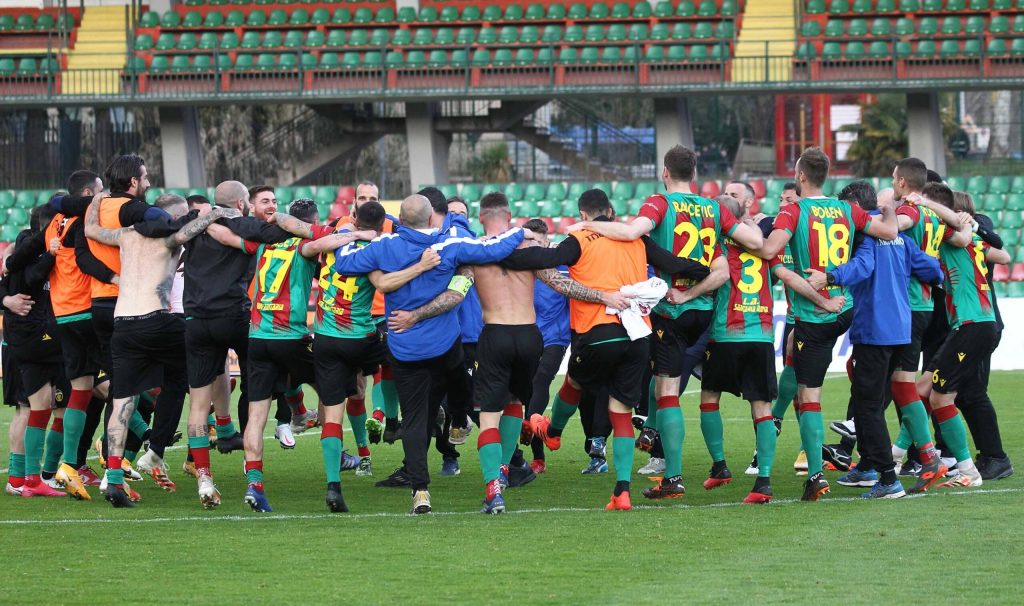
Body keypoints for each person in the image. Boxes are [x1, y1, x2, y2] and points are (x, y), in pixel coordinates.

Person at [568, 146, 764, 500]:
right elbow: (755, 242)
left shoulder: (659, 203)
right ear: (695, 172)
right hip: (703, 310)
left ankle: (672, 476)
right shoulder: (715, 207)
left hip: (669, 309)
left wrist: (585, 225)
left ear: (665, 172)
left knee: (666, 393)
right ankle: (690, 468)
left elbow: (631, 233)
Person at [503, 188, 710, 509]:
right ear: (612, 213)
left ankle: (554, 432)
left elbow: (545, 258)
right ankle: (622, 492)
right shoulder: (637, 240)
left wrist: (503, 254)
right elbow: (673, 263)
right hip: (639, 337)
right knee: (622, 413)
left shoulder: (581, 238)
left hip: (598, 332)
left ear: (583, 216)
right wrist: (705, 271)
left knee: (573, 382)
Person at [332, 194, 527, 514]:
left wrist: (352, 234)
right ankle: (460, 419)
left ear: (400, 220)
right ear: (431, 218)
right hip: (444, 344)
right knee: (460, 383)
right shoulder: (446, 245)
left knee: (415, 419)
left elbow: (344, 260)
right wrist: (521, 230)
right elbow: (495, 247)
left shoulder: (384, 246)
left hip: (405, 348)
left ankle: (420, 491)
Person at [754, 146, 898, 501]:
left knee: (809, 395)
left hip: (814, 315)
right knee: (796, 362)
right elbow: (890, 231)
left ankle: (816, 474)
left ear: (801, 176)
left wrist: (744, 234)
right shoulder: (848, 208)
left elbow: (769, 250)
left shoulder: (793, 211)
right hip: (845, 308)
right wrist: (890, 203)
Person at [212, 198, 368, 512]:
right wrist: (360, 235)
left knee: (256, 416)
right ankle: (332, 451)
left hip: (257, 338)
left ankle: (255, 484)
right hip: (290, 337)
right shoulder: (302, 247)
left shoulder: (261, 248)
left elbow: (224, 236)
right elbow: (326, 241)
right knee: (333, 388)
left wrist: (208, 218)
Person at [84, 192, 238, 507]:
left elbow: (91, 230)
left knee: (121, 401)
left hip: (123, 323)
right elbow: (195, 226)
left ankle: (113, 481)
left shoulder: (125, 235)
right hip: (159, 320)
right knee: (189, 373)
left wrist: (96, 201)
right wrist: (220, 211)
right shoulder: (170, 238)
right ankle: (166, 445)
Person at [697, 195, 845, 503]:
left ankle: (720, 466)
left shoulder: (716, 245)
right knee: (762, 408)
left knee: (710, 397)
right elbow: (790, 278)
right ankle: (763, 481)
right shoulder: (765, 249)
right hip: (761, 336)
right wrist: (824, 302)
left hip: (725, 335)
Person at [805, 183, 944, 498]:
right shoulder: (899, 237)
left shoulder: (866, 233)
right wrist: (937, 278)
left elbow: (863, 266)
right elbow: (932, 269)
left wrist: (829, 277)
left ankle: (885, 477)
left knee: (867, 407)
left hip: (874, 331)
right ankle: (872, 467)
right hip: (901, 332)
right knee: (875, 401)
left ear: (853, 206)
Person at [180, 180, 312, 509]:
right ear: (241, 203)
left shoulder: (194, 227)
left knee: (197, 405)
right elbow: (284, 232)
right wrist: (276, 217)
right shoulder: (243, 224)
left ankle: (205, 476)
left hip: (195, 321)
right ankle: (286, 415)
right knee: (262, 375)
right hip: (234, 317)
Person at [311, 200, 432, 510]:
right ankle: (394, 417)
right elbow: (383, 283)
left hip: (325, 338)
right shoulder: (373, 251)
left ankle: (333, 485)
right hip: (361, 337)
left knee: (332, 414)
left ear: (353, 217)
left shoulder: (331, 245)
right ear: (381, 227)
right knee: (396, 357)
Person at [915, 184, 1010, 488]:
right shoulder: (970, 240)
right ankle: (928, 457)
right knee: (929, 389)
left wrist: (934, 210)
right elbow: (1004, 255)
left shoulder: (956, 236)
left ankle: (974, 464)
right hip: (968, 325)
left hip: (974, 323)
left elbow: (984, 244)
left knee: (951, 394)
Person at [0, 205, 66, 498]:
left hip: (31, 338)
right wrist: (6, 300)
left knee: (34, 406)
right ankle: (24, 477)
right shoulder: (25, 249)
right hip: (24, 342)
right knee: (27, 408)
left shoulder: (28, 250)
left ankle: (22, 479)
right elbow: (17, 278)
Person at [520, 219, 570, 475]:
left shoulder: (561, 260)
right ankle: (535, 452)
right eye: (530, 243)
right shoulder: (523, 261)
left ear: (546, 240)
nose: (534, 248)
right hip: (527, 335)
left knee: (540, 383)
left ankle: (537, 455)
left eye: (538, 243)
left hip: (556, 337)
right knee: (526, 390)